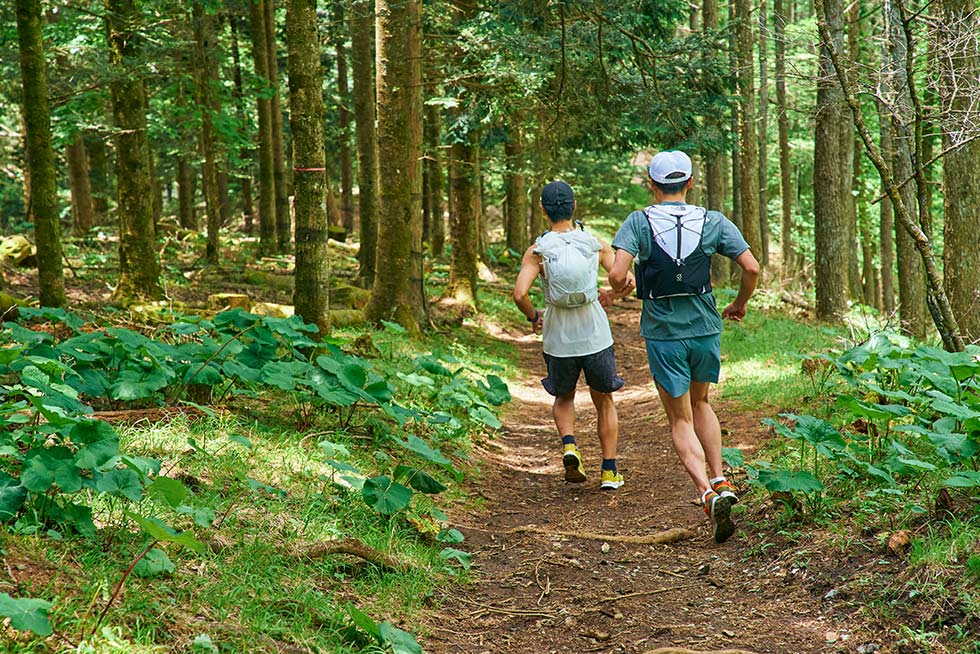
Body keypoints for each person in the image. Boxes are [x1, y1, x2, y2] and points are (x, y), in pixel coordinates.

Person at [608, 151, 759, 542]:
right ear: (690, 183)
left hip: (663, 332)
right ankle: (721, 478)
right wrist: (739, 304)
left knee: (679, 418)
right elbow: (752, 267)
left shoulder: (638, 222)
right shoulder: (713, 221)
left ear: (652, 185)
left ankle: (706, 495)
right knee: (702, 402)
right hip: (706, 327)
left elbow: (616, 273)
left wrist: (622, 288)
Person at [513, 180, 635, 490]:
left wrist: (534, 315)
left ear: (543, 210)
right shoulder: (593, 243)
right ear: (574, 206)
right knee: (604, 399)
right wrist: (610, 294)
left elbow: (519, 294)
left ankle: (569, 446)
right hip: (594, 333)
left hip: (558, 334)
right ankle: (609, 471)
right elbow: (626, 280)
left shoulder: (537, 250)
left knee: (564, 396)